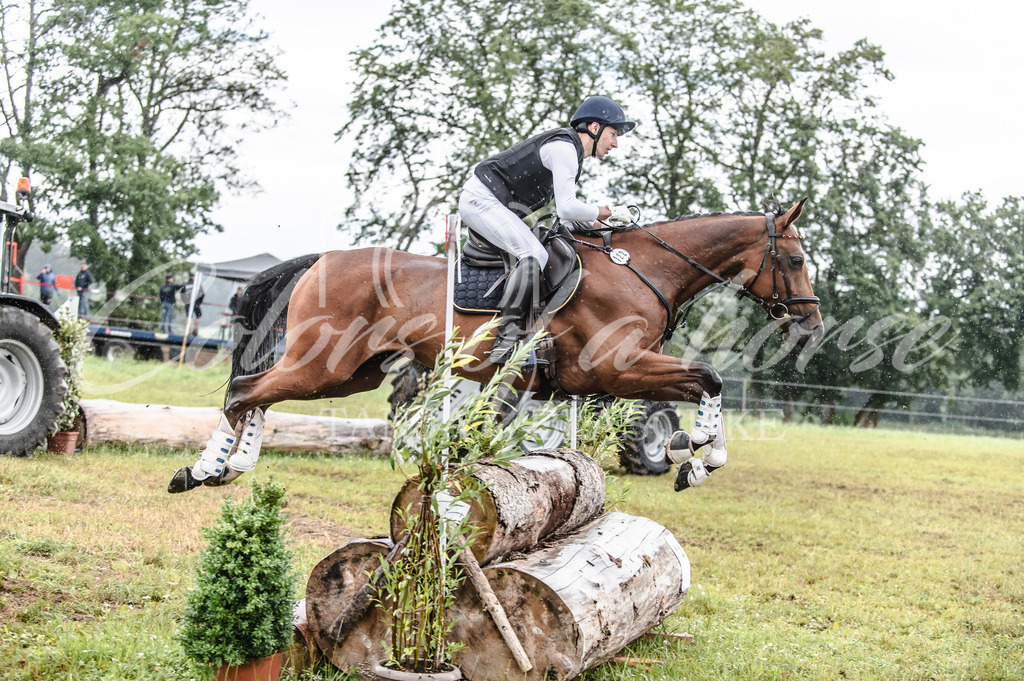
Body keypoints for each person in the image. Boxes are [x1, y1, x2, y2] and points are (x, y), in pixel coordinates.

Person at [458, 95, 636, 363]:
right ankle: (506, 342)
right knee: (534, 256)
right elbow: (567, 208)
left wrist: (609, 223)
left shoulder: (571, 154)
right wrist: (608, 211)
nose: (616, 143)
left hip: (496, 204)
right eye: (613, 134)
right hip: (481, 199)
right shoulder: (564, 149)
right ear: (595, 128)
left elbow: (568, 219)